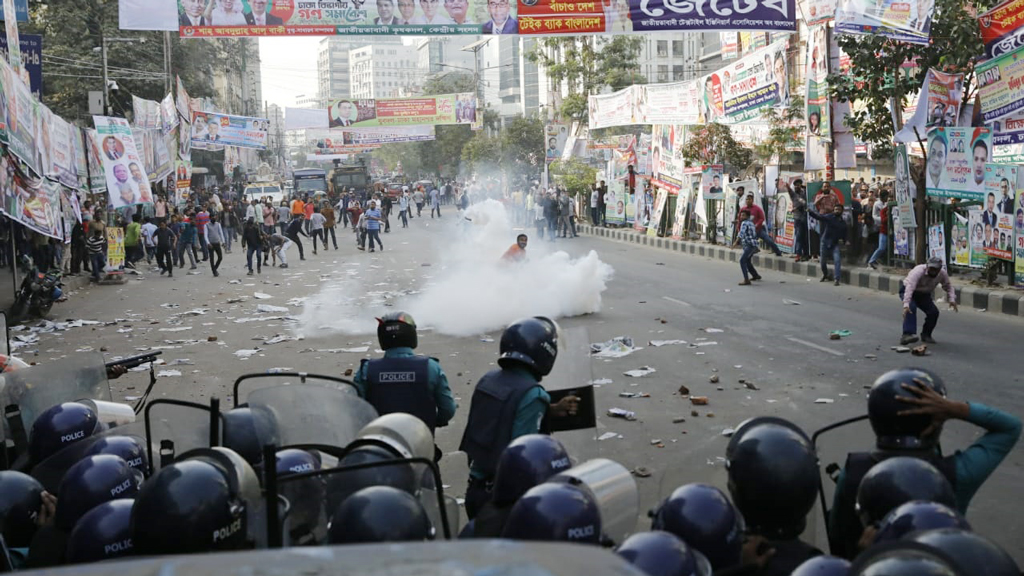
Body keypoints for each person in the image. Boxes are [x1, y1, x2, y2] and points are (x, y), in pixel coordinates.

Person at [827, 368, 1021, 559]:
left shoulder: (854, 472)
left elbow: (837, 536)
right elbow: (1010, 427)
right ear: (937, 417)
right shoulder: (958, 474)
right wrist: (956, 409)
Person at [459, 317, 580, 519]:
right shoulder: (534, 395)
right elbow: (524, 458)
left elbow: (503, 416)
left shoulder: (488, 380)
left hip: (477, 490)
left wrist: (551, 409)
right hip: (504, 500)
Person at [353, 312, 456, 457]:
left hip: (378, 448)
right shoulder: (431, 367)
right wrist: (435, 421)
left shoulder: (367, 369)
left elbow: (355, 408)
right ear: (411, 335)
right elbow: (448, 409)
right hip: (419, 447)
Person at [899, 256, 957, 345]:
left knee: (933, 312)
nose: (933, 271)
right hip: (909, 291)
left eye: (935, 269)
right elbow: (910, 288)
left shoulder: (942, 274)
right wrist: (906, 304)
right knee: (911, 308)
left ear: (939, 269)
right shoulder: (918, 271)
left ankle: (926, 335)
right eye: (931, 268)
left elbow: (948, 286)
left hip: (924, 295)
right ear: (927, 266)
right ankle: (907, 334)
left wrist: (952, 299)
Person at [808, 203, 847, 285]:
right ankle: (825, 274)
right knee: (822, 261)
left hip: (834, 244)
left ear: (842, 211)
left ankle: (837, 279)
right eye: (836, 209)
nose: (837, 211)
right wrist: (810, 212)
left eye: (839, 210)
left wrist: (845, 241)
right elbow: (819, 217)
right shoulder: (830, 217)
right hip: (825, 242)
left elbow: (844, 234)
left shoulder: (843, 223)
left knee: (837, 260)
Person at [737, 209, 761, 286]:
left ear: (747, 216)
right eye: (741, 215)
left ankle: (746, 280)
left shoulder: (744, 223)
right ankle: (755, 275)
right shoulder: (751, 223)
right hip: (753, 245)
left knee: (742, 261)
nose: (741, 216)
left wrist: (734, 243)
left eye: (743, 215)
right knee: (747, 260)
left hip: (749, 245)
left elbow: (741, 234)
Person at [867, 190, 889, 269]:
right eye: (886, 196)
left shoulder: (887, 204)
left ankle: (879, 260)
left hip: (885, 227)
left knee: (884, 247)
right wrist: (883, 219)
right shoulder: (877, 204)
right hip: (878, 226)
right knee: (880, 247)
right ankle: (871, 261)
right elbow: (874, 216)